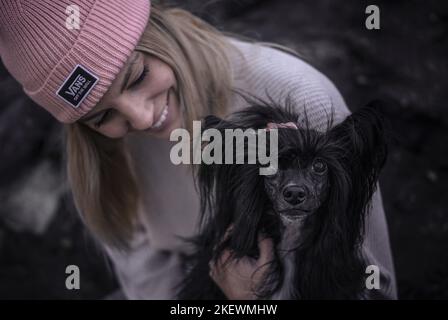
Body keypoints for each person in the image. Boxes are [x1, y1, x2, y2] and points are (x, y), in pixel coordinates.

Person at [0, 0, 397, 299]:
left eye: (137, 76)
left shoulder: (299, 98)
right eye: (102, 116)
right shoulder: (105, 150)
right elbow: (146, 275)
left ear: (156, 28)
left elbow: (371, 287)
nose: (140, 119)